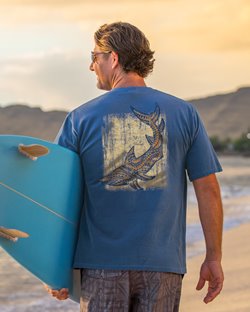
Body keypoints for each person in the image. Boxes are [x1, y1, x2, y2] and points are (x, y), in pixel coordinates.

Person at [48, 22, 224, 311]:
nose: (91, 66)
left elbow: (58, 198)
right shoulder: (185, 113)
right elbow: (208, 189)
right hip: (163, 265)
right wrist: (213, 257)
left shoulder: (80, 118)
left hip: (100, 266)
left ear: (113, 58)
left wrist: (55, 268)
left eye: (94, 57)